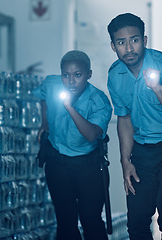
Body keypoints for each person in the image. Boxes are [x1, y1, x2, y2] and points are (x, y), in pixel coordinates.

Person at [106, 13, 162, 240]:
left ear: (144, 40)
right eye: (121, 42)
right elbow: (124, 120)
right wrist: (125, 161)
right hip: (142, 151)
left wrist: (158, 88)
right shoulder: (115, 75)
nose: (129, 48)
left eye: (134, 40)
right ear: (113, 46)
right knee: (136, 220)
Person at [33, 50, 113, 240]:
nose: (71, 81)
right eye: (66, 75)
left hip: (90, 168)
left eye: (78, 75)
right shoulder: (52, 84)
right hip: (58, 165)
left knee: (90, 219)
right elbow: (43, 95)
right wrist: (44, 122)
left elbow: (91, 134)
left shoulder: (99, 100)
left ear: (89, 75)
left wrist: (69, 107)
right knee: (65, 221)